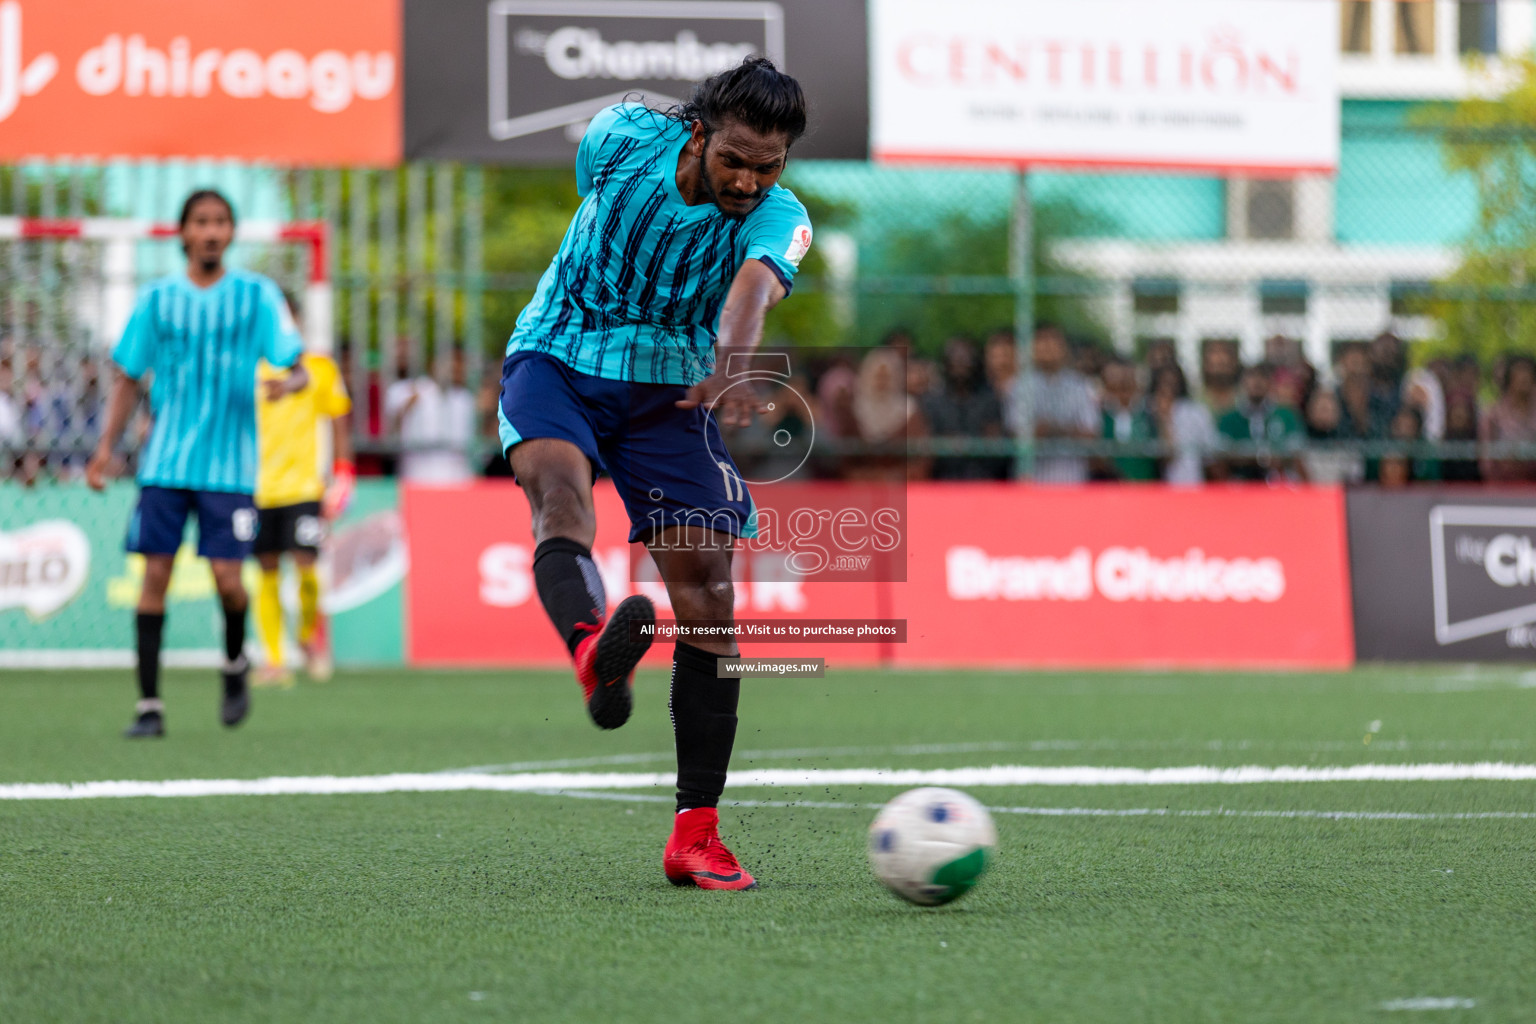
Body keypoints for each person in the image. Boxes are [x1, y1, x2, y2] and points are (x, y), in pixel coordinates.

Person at [495, 58, 812, 890]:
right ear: (700, 133)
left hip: (673, 385)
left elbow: (751, 293)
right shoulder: (620, 136)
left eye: (768, 165)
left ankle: (696, 835)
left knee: (709, 591)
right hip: (558, 355)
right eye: (736, 157)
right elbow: (587, 200)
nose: (749, 180)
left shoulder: (781, 218)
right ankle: (592, 644)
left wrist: (733, 367)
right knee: (560, 500)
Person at [85, 189, 309, 738]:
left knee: (231, 582)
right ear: (183, 232)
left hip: (230, 469)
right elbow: (128, 376)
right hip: (164, 465)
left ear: (231, 233)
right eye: (201, 222)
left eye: (221, 222)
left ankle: (234, 664)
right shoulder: (158, 298)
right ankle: (149, 706)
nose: (211, 232)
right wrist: (105, 449)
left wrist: (289, 382)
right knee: (154, 576)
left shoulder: (257, 295)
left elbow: (297, 365)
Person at [252, 327, 355, 687]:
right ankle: (274, 659)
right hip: (257, 487)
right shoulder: (249, 367)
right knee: (266, 569)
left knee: (306, 566)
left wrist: (343, 474)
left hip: (305, 486)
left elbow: (339, 419)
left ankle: (308, 635)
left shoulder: (319, 368)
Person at [1008, 322, 1097, 483]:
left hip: (1072, 479)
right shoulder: (1019, 386)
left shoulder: (1080, 386)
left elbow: (1089, 435)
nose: (1047, 347)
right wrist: (1067, 430)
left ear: (1064, 348)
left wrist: (1049, 428)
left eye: (1053, 342)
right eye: (1041, 341)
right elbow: (1019, 434)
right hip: (1031, 480)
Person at [385, 348, 477, 483]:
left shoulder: (465, 398)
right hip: (418, 475)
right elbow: (390, 432)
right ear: (433, 364)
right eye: (450, 362)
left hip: (459, 477)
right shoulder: (410, 390)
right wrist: (408, 406)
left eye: (459, 363)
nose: (455, 367)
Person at [1216, 362, 1306, 482]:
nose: (1257, 382)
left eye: (1262, 377)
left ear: (1271, 383)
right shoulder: (1228, 419)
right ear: (1242, 382)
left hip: (1279, 482)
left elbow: (1297, 452)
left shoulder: (1286, 416)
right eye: (1251, 377)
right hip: (1239, 483)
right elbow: (1219, 455)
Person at [1148, 364, 1215, 486]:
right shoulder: (1147, 411)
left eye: (1172, 382)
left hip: (1192, 484)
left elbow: (1209, 457)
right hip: (1156, 487)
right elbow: (1165, 456)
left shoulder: (1196, 411)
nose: (1168, 388)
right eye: (1163, 383)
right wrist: (1163, 418)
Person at [1097, 358, 1157, 481]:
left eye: (1129, 377)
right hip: (1111, 488)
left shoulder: (1150, 413)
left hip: (1145, 486)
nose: (1124, 382)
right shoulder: (1101, 413)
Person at [1481, 354, 1536, 484]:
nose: (1524, 377)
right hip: (1503, 489)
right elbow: (1486, 460)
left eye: (1528, 372)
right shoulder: (1493, 414)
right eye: (1519, 372)